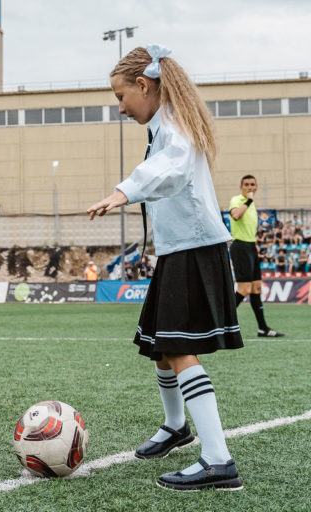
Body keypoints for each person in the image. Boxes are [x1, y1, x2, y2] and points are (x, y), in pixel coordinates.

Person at [88, 44, 244, 491]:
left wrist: (123, 191)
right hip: (178, 250)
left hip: (195, 250)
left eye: (122, 96)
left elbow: (171, 170)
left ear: (144, 85)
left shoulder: (173, 126)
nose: (120, 107)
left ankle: (218, 460)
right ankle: (177, 427)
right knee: (160, 344)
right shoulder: (165, 124)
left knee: (177, 348)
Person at [228, 175, 285, 337]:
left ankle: (263, 328)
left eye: (253, 185)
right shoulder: (237, 200)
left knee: (256, 288)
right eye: (246, 185)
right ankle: (221, 323)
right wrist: (248, 201)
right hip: (240, 246)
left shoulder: (252, 206)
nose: (250, 187)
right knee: (244, 289)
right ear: (241, 187)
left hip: (251, 247)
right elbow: (235, 216)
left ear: (256, 187)